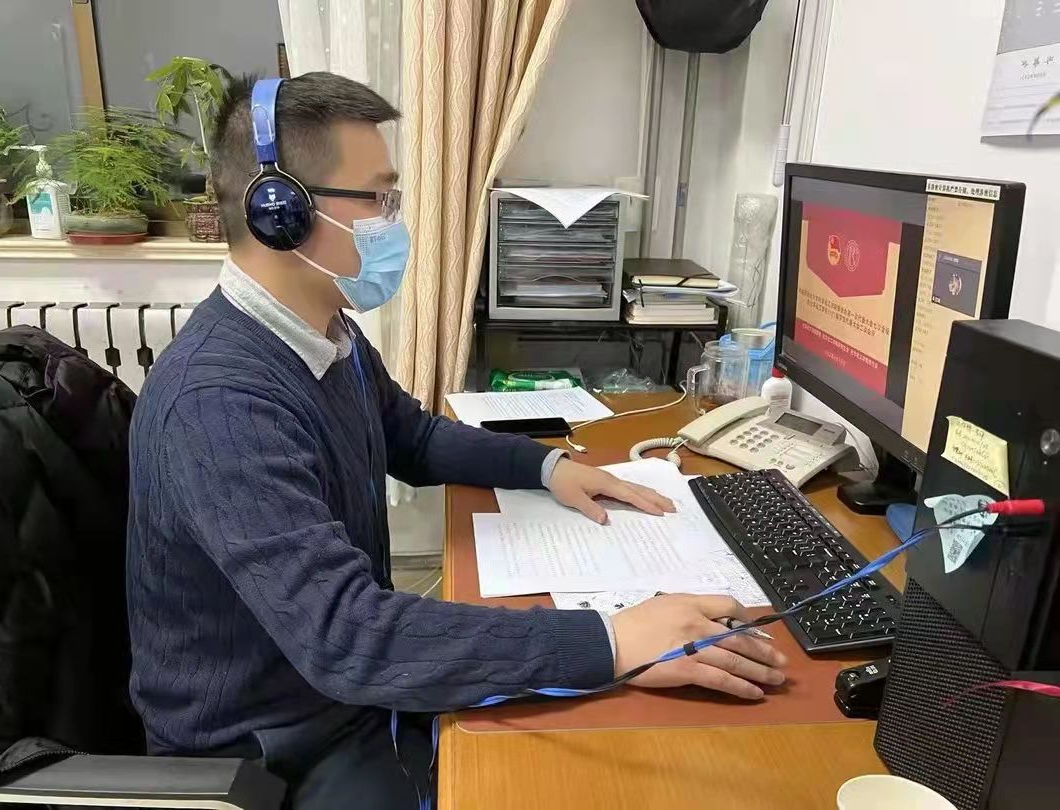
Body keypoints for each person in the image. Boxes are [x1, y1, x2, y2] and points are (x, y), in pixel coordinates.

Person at [126, 72, 787, 810]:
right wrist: (610, 640)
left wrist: (547, 467)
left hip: (335, 695)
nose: (392, 223)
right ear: (280, 211)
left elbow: (410, 437)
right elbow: (348, 636)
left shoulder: (323, 332)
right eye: (378, 198)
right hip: (268, 748)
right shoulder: (219, 403)